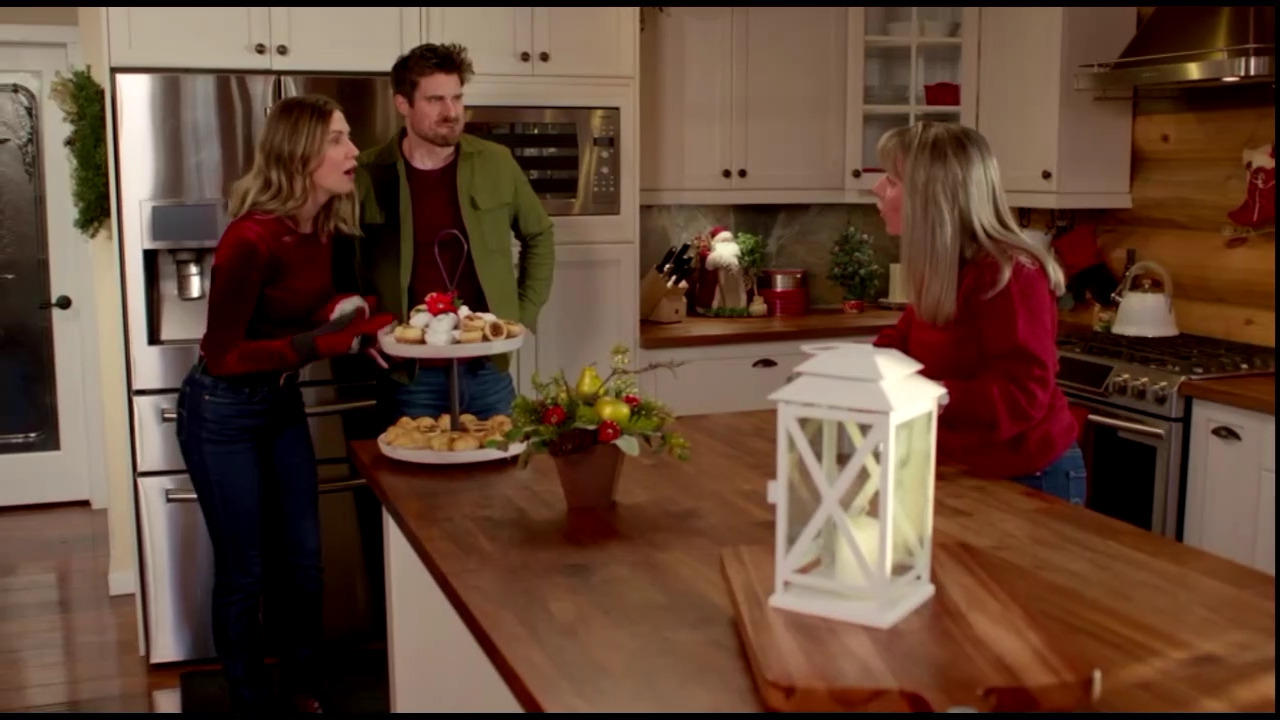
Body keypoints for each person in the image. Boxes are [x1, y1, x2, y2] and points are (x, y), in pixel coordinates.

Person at [175, 94, 390, 712]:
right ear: (299, 153)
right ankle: (250, 699)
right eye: (338, 140)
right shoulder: (249, 239)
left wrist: (351, 319)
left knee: (304, 562)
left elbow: (304, 308)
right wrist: (319, 343)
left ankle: (302, 689)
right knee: (246, 571)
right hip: (222, 412)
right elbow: (225, 354)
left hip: (279, 405)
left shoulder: (321, 228)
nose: (354, 152)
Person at [870, 121, 1084, 505]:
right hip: (963, 468)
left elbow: (1021, 394)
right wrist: (862, 370)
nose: (876, 188)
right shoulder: (946, 268)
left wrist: (923, 394)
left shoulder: (1008, 276)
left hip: (1027, 475)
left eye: (892, 180)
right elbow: (903, 340)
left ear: (931, 196)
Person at [350, 42, 555, 421]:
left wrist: (523, 314)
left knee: (500, 458)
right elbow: (344, 260)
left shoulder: (495, 162)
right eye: (436, 100)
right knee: (411, 460)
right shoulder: (367, 172)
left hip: (486, 365)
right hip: (411, 372)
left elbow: (539, 234)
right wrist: (363, 329)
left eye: (457, 97)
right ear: (403, 104)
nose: (452, 111)